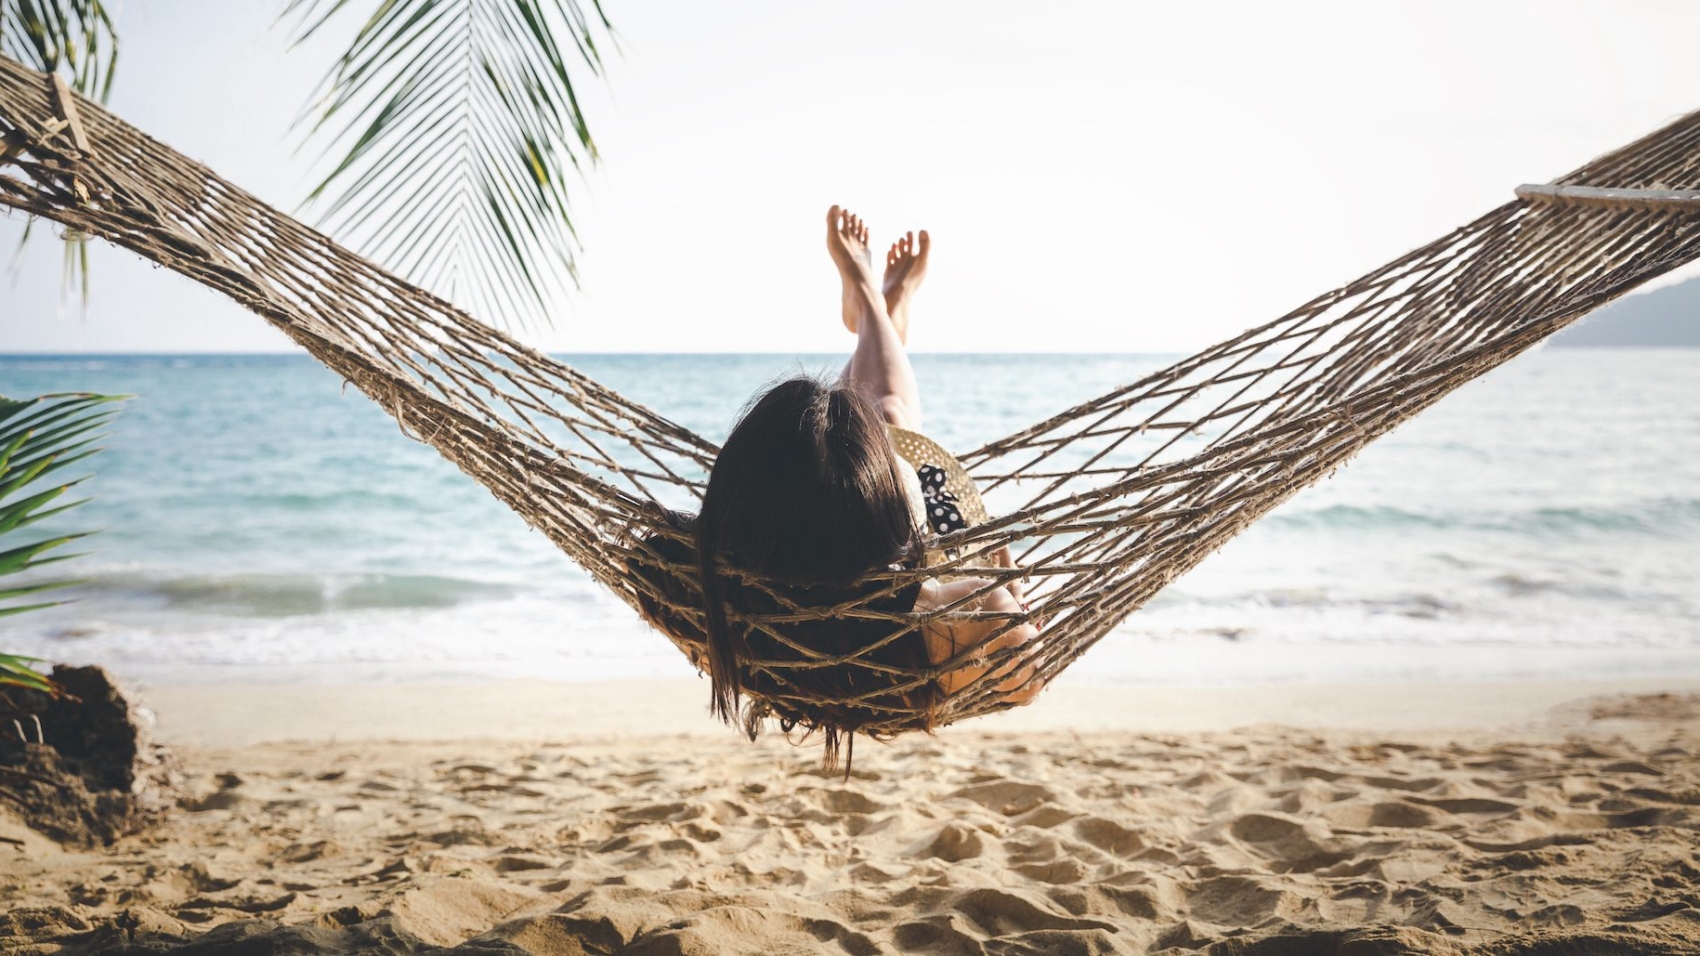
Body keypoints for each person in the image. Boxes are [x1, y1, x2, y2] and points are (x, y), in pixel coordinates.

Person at [633, 207, 1042, 755]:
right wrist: (1005, 585)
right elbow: (1024, 683)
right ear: (892, 518)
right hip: (918, 572)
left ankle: (874, 307)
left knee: (853, 429)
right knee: (891, 415)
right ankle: (872, 303)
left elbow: (649, 555)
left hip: (800, 582)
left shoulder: (710, 591)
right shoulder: (960, 614)